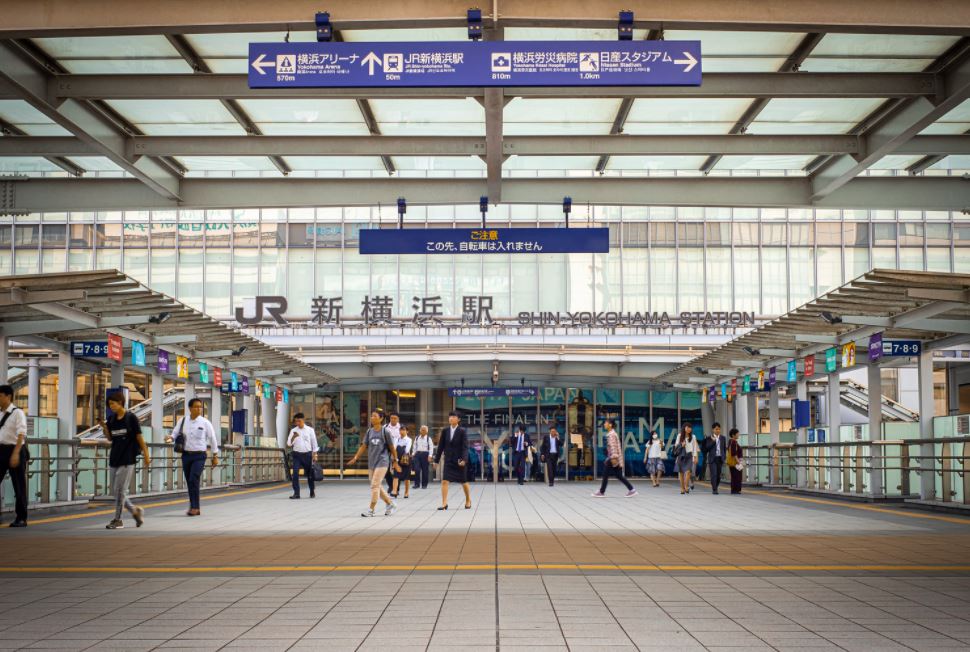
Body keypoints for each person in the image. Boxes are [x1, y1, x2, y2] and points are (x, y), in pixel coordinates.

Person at [98, 391, 150, 529]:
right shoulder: (112, 419)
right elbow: (110, 438)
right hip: (115, 457)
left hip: (128, 458)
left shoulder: (131, 418)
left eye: (113, 404)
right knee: (116, 491)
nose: (111, 407)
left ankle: (118, 519)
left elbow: (139, 437)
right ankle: (135, 511)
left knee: (120, 490)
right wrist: (104, 427)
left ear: (120, 402)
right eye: (109, 405)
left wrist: (146, 454)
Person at [165, 398, 219, 516]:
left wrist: (215, 455)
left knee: (193, 479)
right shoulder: (183, 421)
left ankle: (194, 507)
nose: (199, 409)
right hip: (186, 455)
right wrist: (170, 438)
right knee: (190, 482)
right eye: (196, 406)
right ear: (190, 408)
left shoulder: (205, 423)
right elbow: (174, 433)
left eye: (200, 407)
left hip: (199, 455)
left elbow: (213, 438)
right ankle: (194, 506)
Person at [347, 408, 400, 517]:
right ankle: (390, 504)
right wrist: (356, 457)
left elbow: (392, 447)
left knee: (375, 485)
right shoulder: (369, 431)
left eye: (374, 416)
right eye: (371, 416)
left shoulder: (385, 431)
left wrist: (396, 460)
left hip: (383, 461)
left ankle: (371, 510)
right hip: (372, 463)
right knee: (376, 485)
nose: (372, 418)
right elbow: (363, 446)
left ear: (381, 418)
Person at [0, 384, 29, 527]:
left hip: (15, 450)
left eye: (0, 395)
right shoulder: (0, 413)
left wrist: (16, 453)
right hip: (1, 451)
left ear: (8, 396)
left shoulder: (18, 413)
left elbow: (21, 433)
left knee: (19, 486)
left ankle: (21, 518)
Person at [434, 411, 471, 510]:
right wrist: (436, 460)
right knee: (445, 481)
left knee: (463, 482)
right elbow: (441, 446)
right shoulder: (445, 431)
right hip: (448, 460)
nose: (451, 418)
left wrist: (464, 459)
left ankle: (468, 499)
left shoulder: (462, 431)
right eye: (450, 416)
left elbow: (465, 447)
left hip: (459, 461)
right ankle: (444, 503)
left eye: (454, 417)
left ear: (458, 419)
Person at [592, 418, 636, 497]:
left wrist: (614, 457)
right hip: (613, 457)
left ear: (610, 425)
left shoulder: (611, 435)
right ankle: (632, 490)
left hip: (613, 457)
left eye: (606, 423)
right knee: (618, 475)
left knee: (605, 474)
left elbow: (613, 447)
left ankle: (601, 491)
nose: (604, 424)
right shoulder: (612, 433)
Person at [287, 412, 318, 499]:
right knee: (295, 473)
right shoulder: (293, 431)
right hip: (297, 455)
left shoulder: (310, 430)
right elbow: (289, 444)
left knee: (309, 474)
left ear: (303, 420)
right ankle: (296, 493)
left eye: (299, 421)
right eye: (296, 421)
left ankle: (312, 491)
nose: (297, 423)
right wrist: (294, 437)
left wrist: (315, 455)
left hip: (307, 455)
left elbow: (314, 443)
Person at [702, 422, 727, 495]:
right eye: (716, 429)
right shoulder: (709, 438)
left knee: (718, 475)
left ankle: (716, 486)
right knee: (714, 474)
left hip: (720, 458)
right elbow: (707, 448)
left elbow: (724, 449)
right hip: (712, 458)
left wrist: (724, 456)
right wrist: (713, 441)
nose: (718, 430)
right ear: (713, 430)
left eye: (719, 429)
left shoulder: (723, 438)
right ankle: (714, 489)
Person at [673, 423, 698, 495]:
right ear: (684, 428)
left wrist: (695, 457)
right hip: (681, 456)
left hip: (689, 456)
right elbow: (676, 446)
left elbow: (694, 447)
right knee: (681, 473)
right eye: (687, 427)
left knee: (688, 472)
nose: (689, 429)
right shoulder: (679, 435)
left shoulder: (693, 436)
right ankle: (682, 488)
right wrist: (681, 444)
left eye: (690, 428)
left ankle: (686, 486)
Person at [392, 425, 412, 499]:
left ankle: (406, 492)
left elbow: (407, 450)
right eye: (400, 430)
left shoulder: (409, 439)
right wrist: (395, 459)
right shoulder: (396, 439)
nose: (401, 431)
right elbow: (393, 449)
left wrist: (399, 449)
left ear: (407, 431)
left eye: (403, 430)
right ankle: (394, 491)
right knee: (396, 475)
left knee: (407, 477)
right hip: (397, 459)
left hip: (406, 459)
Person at [385, 411, 402, 493]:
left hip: (398, 451)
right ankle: (391, 485)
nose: (393, 420)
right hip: (387, 451)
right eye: (391, 418)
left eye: (395, 418)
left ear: (398, 419)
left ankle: (396, 488)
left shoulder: (402, 428)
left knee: (397, 470)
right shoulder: (385, 427)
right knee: (386, 470)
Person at [727, 428, 744, 494]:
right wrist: (738, 462)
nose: (738, 435)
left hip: (733, 462)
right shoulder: (733, 442)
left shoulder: (730, 441)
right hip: (735, 462)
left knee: (734, 476)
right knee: (737, 476)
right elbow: (734, 453)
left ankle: (734, 490)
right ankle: (736, 490)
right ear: (733, 435)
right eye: (737, 433)